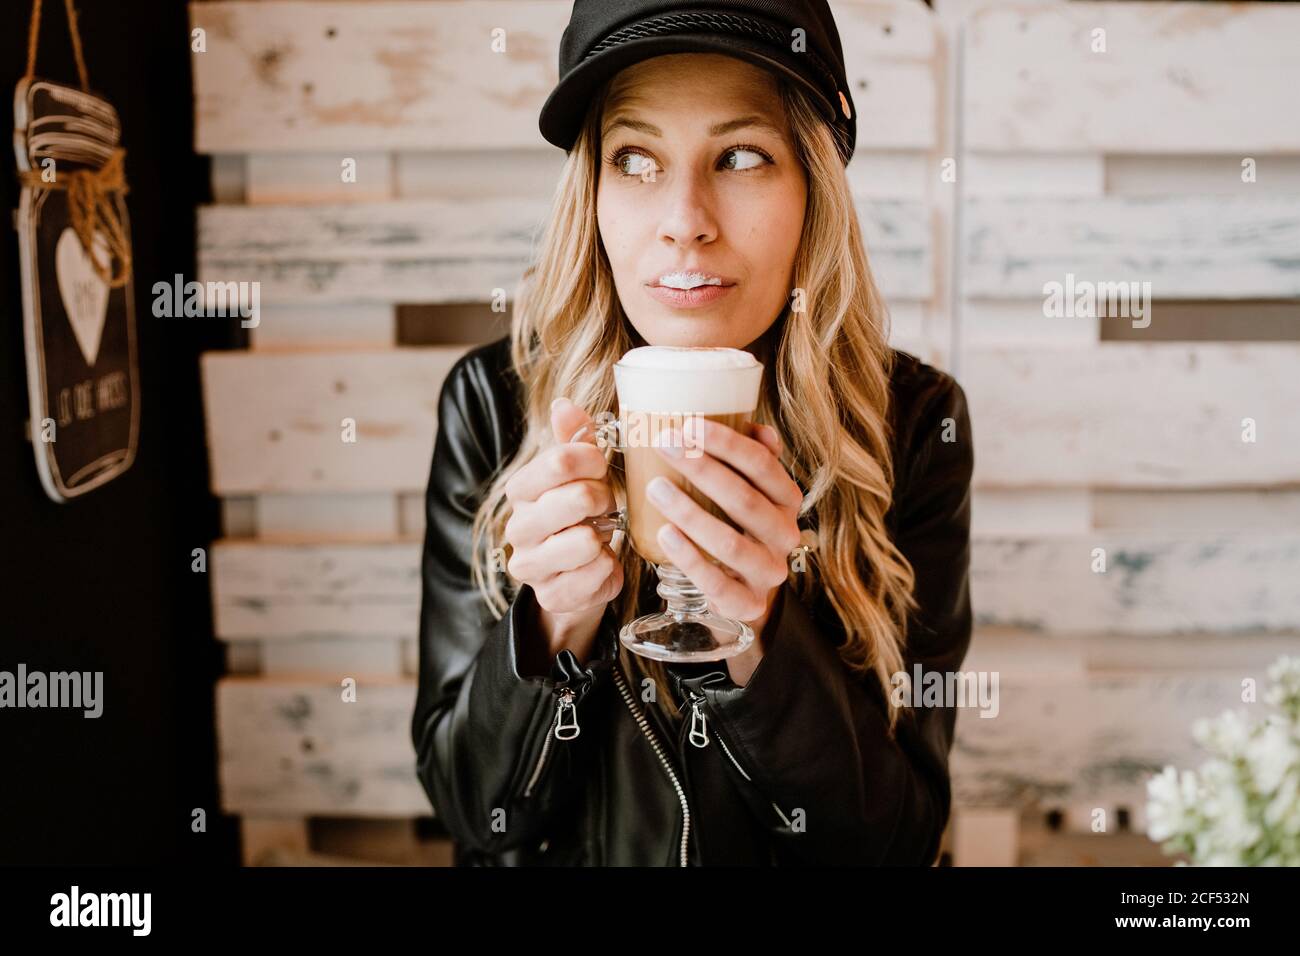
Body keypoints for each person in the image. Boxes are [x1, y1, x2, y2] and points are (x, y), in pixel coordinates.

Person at [410, 0, 973, 866]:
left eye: (742, 156)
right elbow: (473, 812)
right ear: (591, 195)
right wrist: (553, 625)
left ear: (813, 189)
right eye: (635, 159)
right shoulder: (490, 405)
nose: (685, 219)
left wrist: (762, 643)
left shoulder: (910, 425)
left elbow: (895, 839)